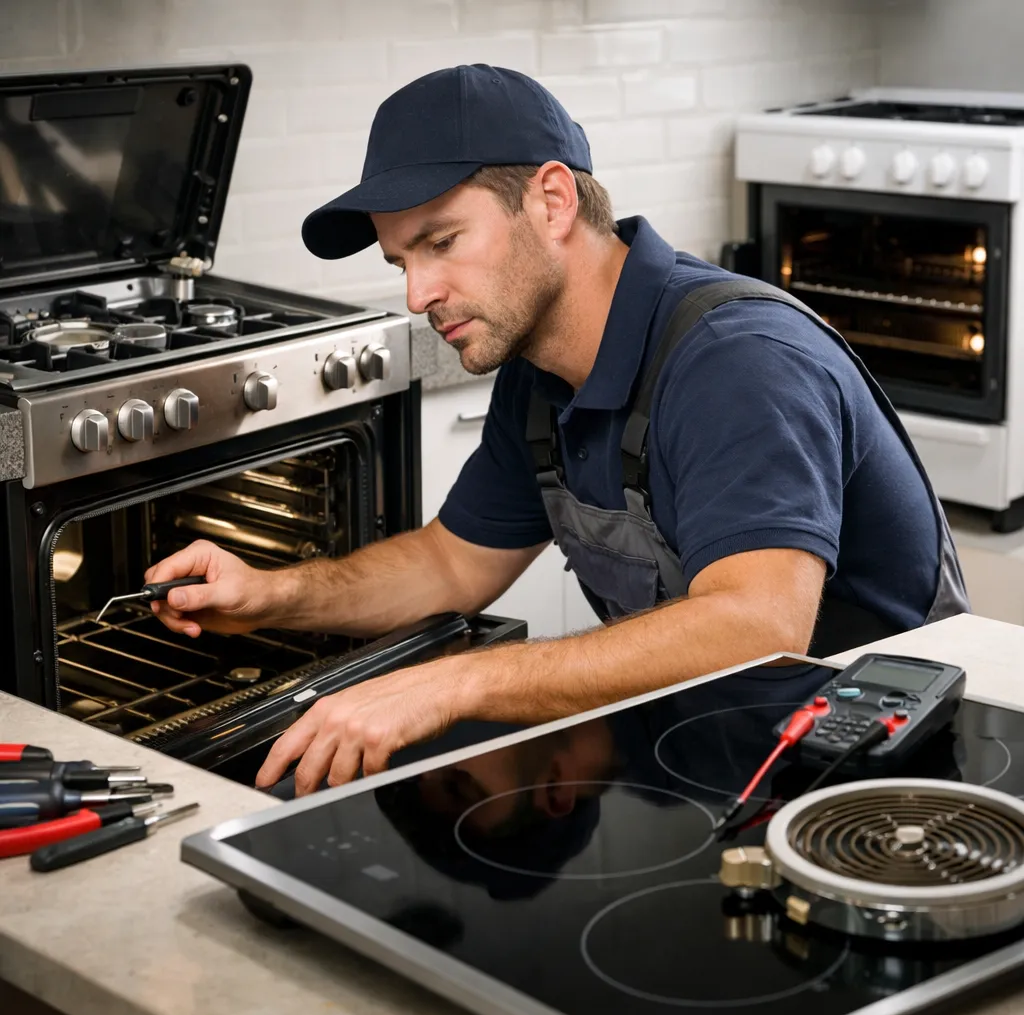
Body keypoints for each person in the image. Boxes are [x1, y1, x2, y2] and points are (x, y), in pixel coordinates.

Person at [145, 65, 969, 796]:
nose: (416, 294)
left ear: (551, 200)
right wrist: (270, 594)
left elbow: (756, 624)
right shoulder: (540, 373)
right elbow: (449, 563)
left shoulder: (735, 359)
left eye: (440, 242)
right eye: (402, 262)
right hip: (725, 751)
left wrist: (450, 684)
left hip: (884, 781)